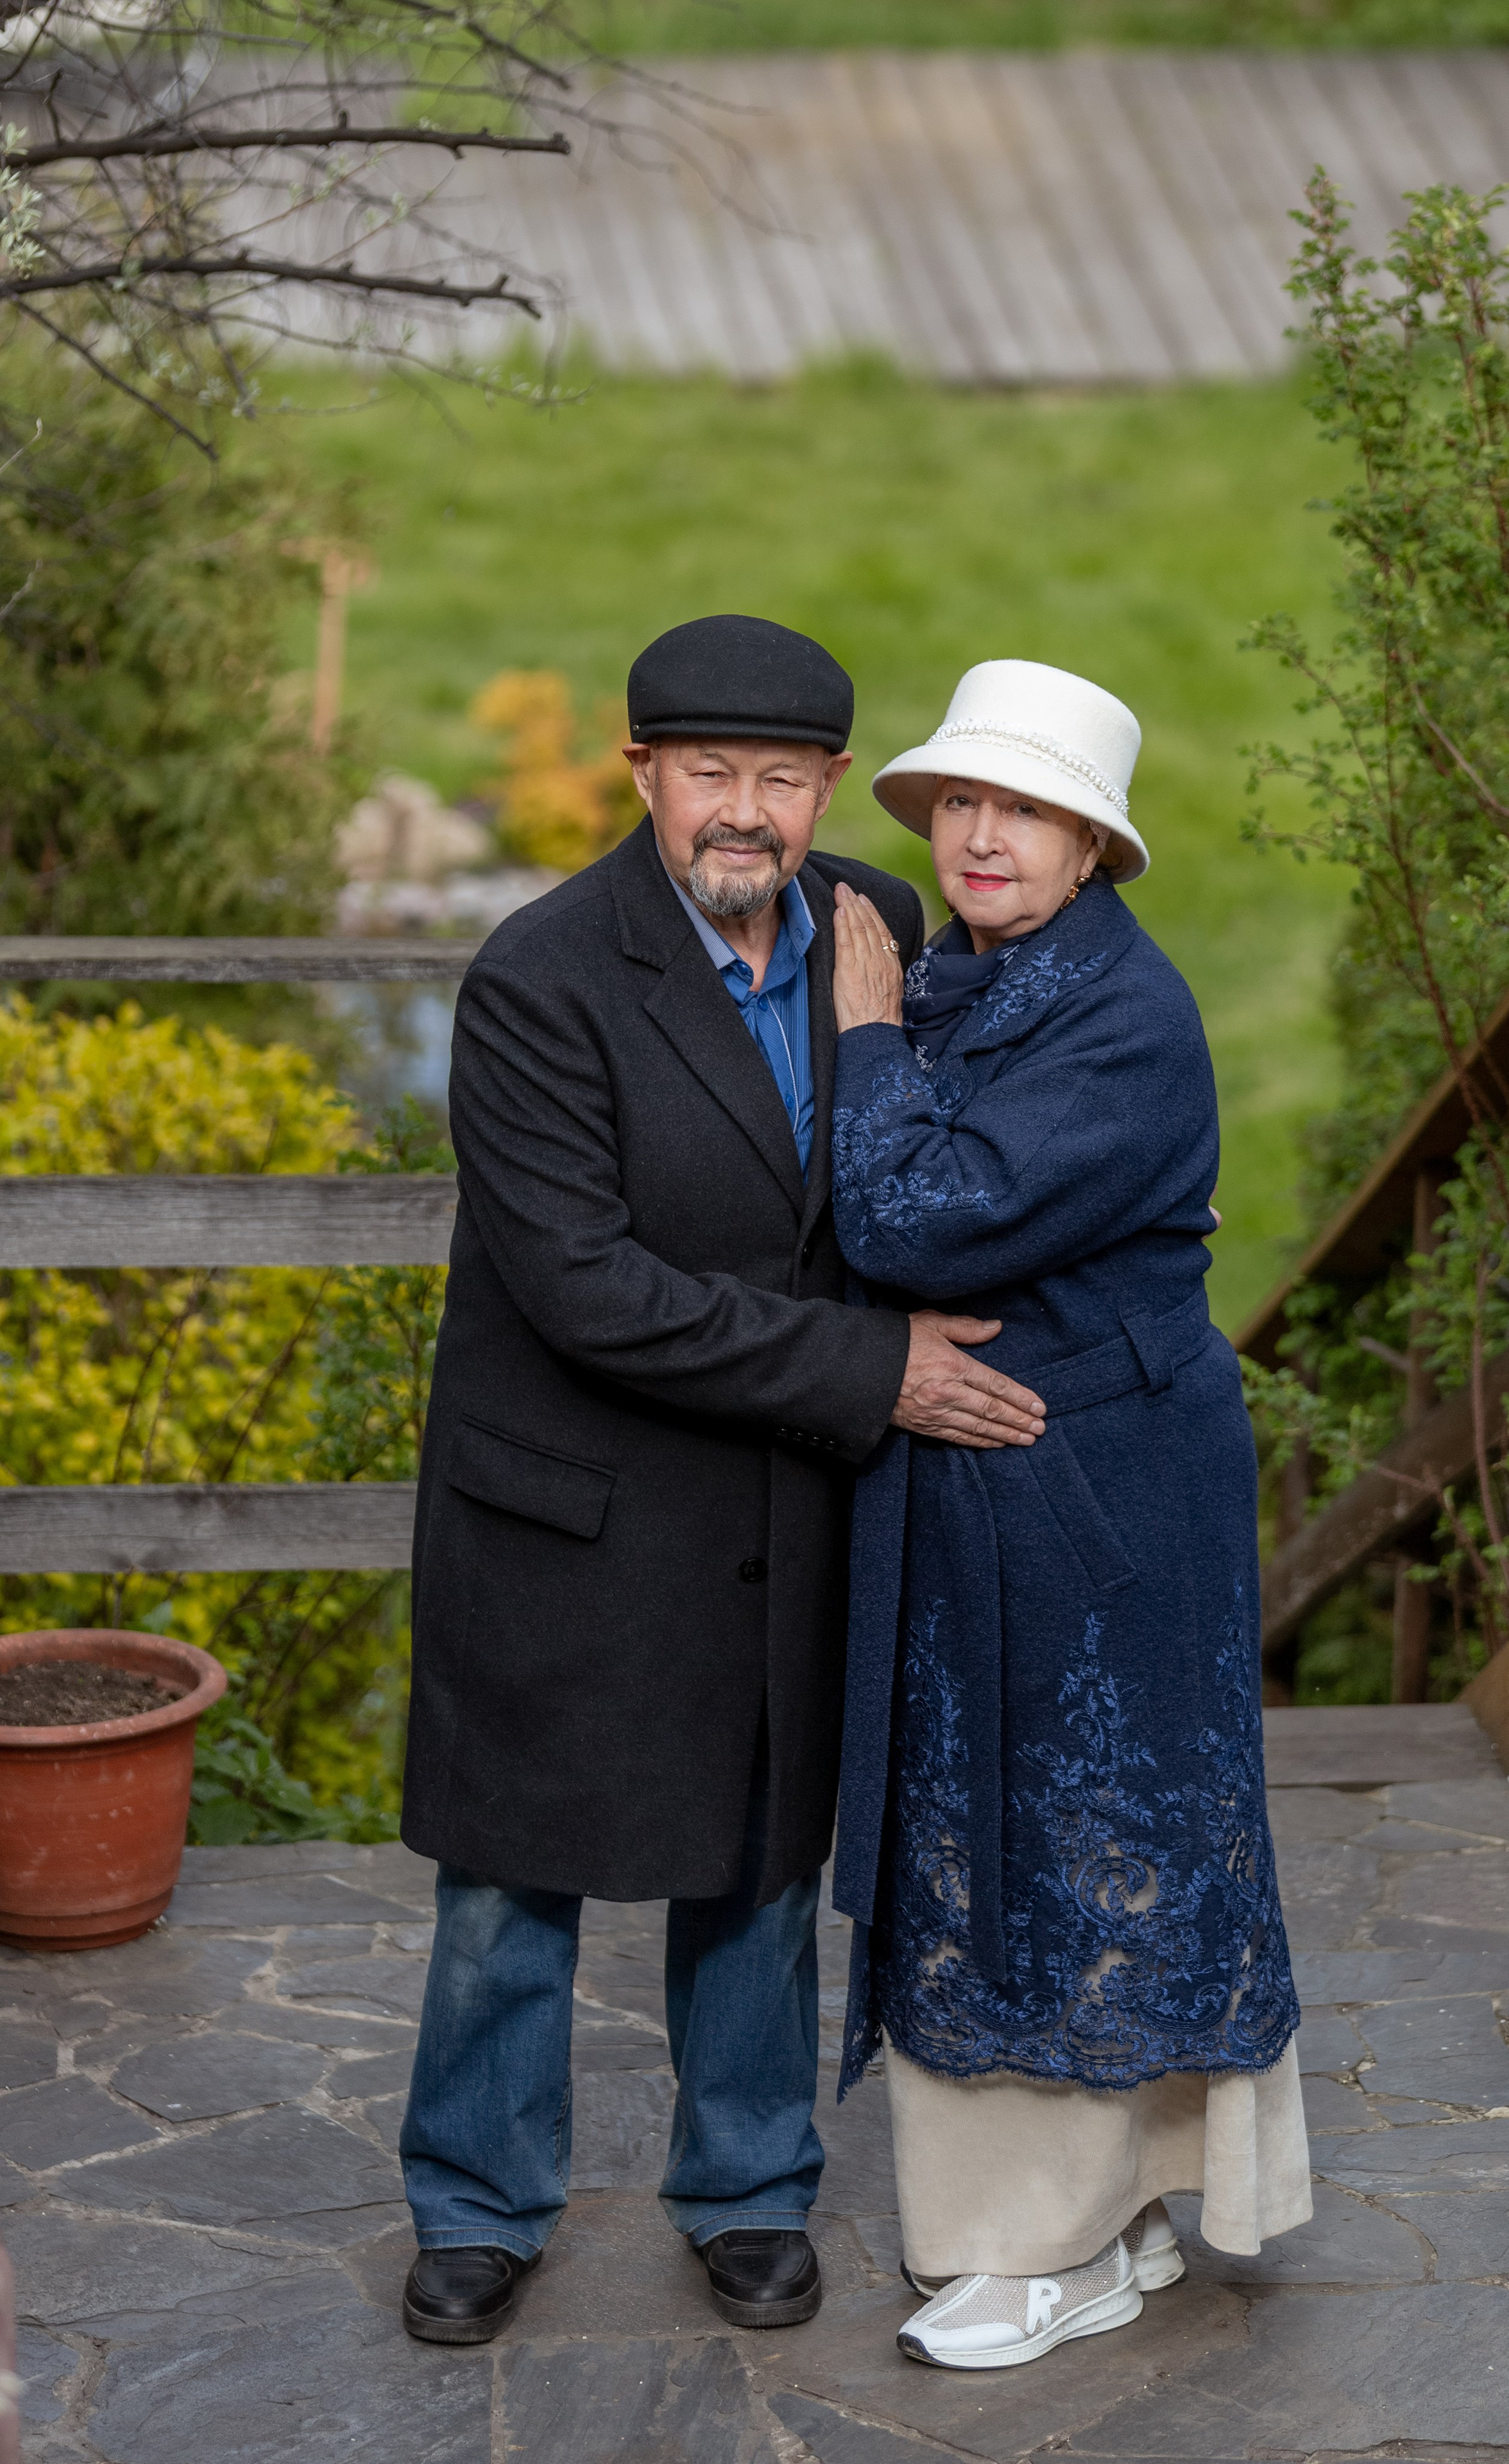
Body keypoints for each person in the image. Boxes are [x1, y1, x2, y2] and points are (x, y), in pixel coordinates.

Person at [395, 614, 1050, 2347]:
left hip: (773, 1504)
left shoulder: (876, 928)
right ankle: (476, 2202)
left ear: (833, 785)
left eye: (780, 776)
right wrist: (877, 1368)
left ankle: (751, 2189)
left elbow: (924, 1157)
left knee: (757, 1864)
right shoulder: (541, 976)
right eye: (708, 776)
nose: (743, 813)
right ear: (643, 776)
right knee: (510, 1882)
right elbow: (586, 1286)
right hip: (572, 1503)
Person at [826, 658, 1311, 2373]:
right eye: (958, 801)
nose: (976, 835)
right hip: (1025, 1473)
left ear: (1093, 844)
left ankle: (1054, 2250)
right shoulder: (998, 976)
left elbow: (911, 1227)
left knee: (1068, 1827)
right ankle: (1121, 2209)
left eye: (1020, 808)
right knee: (1032, 1819)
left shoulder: (1117, 1015)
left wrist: (867, 1039)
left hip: (1099, 1485)